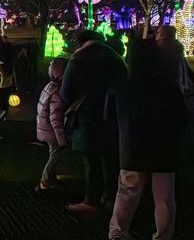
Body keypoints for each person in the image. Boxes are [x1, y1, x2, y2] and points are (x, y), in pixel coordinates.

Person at [107, 38, 189, 240]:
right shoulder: (167, 85)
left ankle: (117, 236)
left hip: (132, 148)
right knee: (164, 197)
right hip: (163, 148)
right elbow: (182, 117)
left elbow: (109, 117)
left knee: (126, 193)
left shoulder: (122, 85)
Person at [60, 30, 128, 213]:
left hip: (87, 115)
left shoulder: (79, 59)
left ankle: (91, 200)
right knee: (111, 159)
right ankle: (111, 197)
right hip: (113, 114)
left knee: (91, 159)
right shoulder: (115, 58)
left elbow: (65, 92)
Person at [36, 58, 68, 191]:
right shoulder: (58, 93)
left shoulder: (49, 86)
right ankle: (45, 182)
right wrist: (62, 139)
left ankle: (51, 179)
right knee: (55, 156)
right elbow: (55, 118)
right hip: (52, 132)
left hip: (43, 128)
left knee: (53, 154)